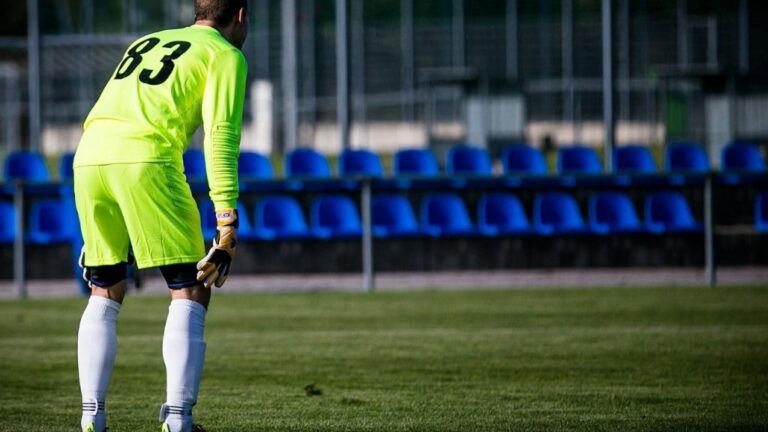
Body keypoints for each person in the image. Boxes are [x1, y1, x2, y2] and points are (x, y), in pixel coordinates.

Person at [72, 1, 248, 431]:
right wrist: (226, 219)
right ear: (240, 15)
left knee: (104, 287)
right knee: (191, 287)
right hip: (147, 158)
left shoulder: (149, 40)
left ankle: (91, 417)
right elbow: (220, 138)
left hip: (89, 157)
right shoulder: (225, 54)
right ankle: (178, 420)